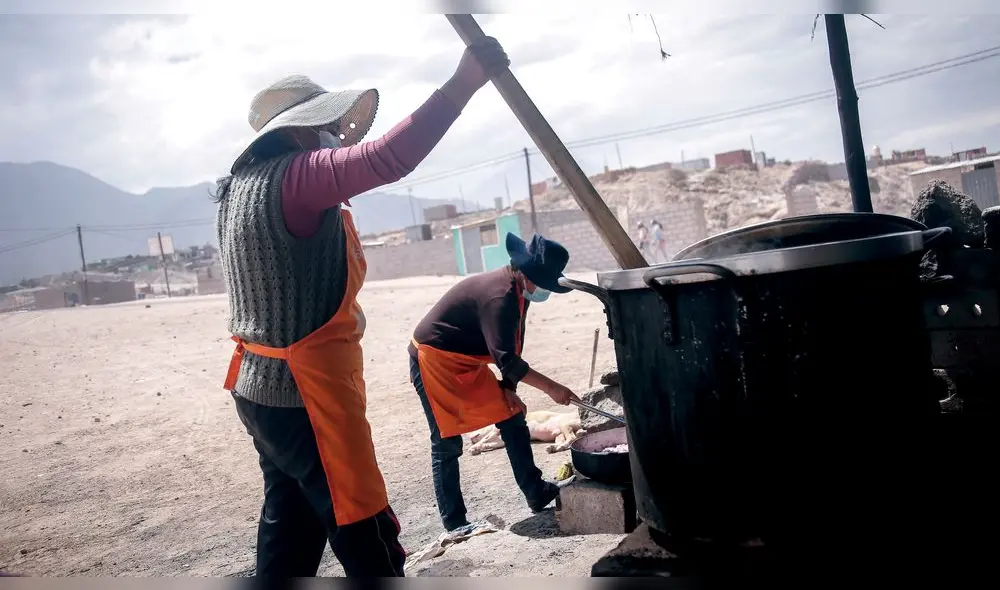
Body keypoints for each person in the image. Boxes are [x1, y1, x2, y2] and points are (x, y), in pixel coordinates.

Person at [214, 37, 511, 578]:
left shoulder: (239, 188)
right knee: (362, 526)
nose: (334, 133)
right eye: (326, 126)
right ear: (299, 132)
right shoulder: (296, 175)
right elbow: (387, 158)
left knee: (291, 523)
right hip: (304, 395)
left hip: (259, 389)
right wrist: (464, 82)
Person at [408, 233, 582, 532]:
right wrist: (553, 388)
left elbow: (511, 346)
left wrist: (508, 388)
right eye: (544, 283)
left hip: (466, 360)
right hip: (434, 359)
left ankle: (536, 492)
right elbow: (508, 360)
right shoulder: (499, 297)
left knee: (512, 416)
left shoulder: (518, 291)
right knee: (446, 441)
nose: (545, 290)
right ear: (527, 273)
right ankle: (455, 522)